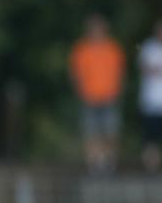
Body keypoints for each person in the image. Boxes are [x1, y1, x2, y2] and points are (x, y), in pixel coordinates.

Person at [69, 15, 125, 172]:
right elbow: (76, 73)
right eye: (93, 29)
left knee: (110, 130)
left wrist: (116, 91)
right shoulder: (82, 49)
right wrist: (81, 91)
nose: (96, 32)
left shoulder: (113, 49)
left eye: (99, 28)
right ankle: (94, 163)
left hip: (109, 97)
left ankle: (109, 161)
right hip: (89, 97)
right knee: (91, 132)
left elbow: (120, 72)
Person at [138, 20, 162, 172]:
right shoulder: (148, 47)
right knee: (150, 136)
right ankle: (151, 166)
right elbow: (144, 68)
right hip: (151, 101)